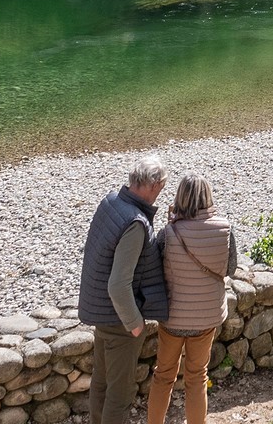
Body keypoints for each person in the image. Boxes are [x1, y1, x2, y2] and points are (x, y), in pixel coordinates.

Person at [78, 155, 171, 423]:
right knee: (119, 396)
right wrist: (135, 324)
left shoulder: (111, 202)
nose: (160, 194)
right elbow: (118, 284)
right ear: (154, 186)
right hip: (120, 321)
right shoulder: (136, 223)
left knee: (101, 384)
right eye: (161, 188)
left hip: (100, 311)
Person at [146, 174, 237, 424]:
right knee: (197, 377)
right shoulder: (225, 229)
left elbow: (155, 270)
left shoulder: (169, 232)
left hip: (173, 317)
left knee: (163, 376)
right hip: (206, 316)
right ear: (208, 196)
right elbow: (230, 269)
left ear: (180, 198)